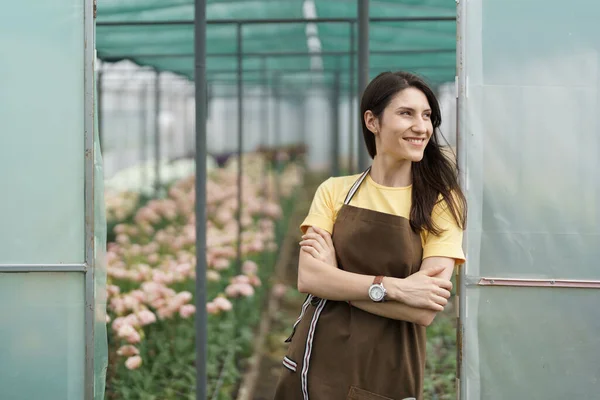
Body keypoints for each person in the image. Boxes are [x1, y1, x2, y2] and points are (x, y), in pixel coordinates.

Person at [273, 71, 467, 400]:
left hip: (389, 365)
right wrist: (394, 288)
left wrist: (336, 282)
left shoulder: (442, 203)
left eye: (427, 116)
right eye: (406, 113)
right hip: (315, 357)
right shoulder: (336, 191)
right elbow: (308, 277)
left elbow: (423, 309)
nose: (421, 127)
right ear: (372, 121)